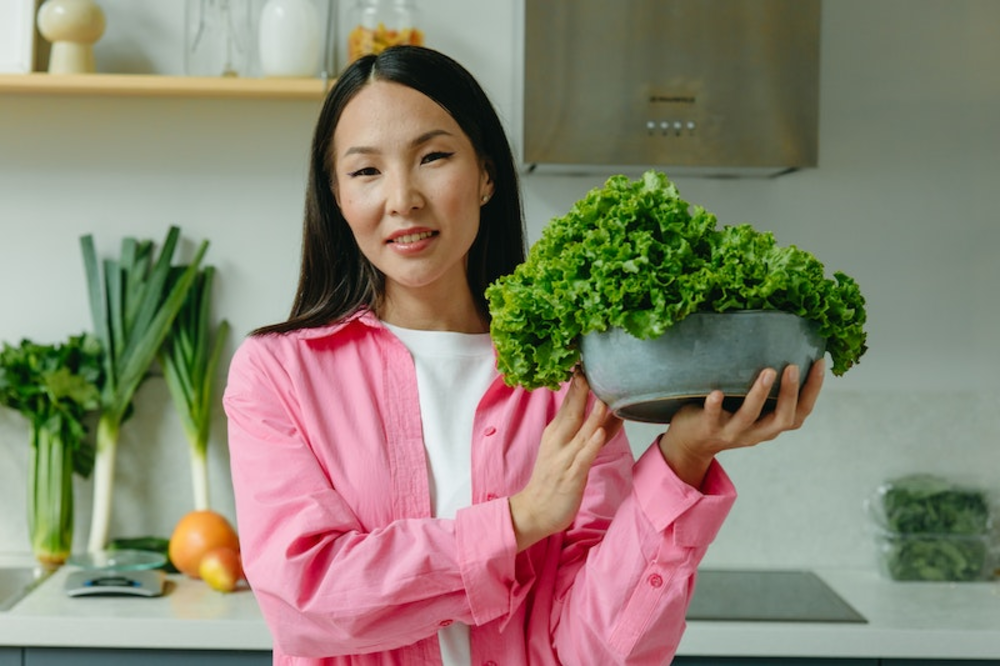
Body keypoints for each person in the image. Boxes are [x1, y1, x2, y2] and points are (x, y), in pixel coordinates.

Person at [223, 45, 824, 666]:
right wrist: (520, 520)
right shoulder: (279, 373)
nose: (402, 198)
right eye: (366, 172)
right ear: (337, 197)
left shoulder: (568, 377)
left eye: (433, 157)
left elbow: (595, 649)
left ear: (485, 175)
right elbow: (307, 601)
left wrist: (684, 456)